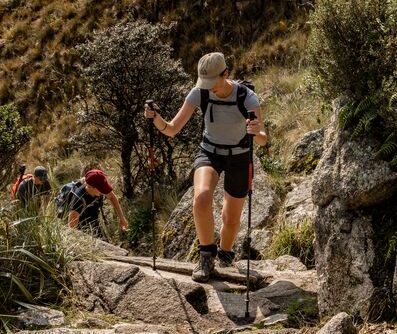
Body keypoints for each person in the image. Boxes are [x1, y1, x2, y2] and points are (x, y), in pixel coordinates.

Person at [144, 52, 267, 282]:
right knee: (201, 198)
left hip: (239, 157)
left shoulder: (247, 98)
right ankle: (206, 257)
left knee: (230, 220)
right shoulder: (199, 93)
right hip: (210, 152)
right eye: (205, 83)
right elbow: (171, 129)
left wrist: (256, 132)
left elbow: (262, 139)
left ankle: (225, 254)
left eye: (213, 82)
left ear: (226, 74)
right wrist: (155, 119)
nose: (209, 88)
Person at [55, 168, 128, 235]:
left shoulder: (97, 185)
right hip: (79, 221)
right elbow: (72, 227)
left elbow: (112, 197)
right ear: (90, 187)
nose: (104, 192)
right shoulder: (78, 199)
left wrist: (121, 218)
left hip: (92, 216)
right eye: (101, 189)